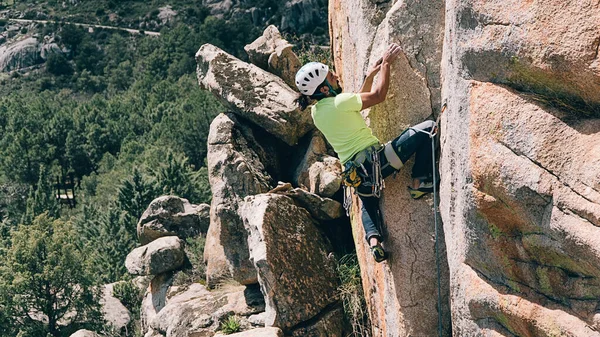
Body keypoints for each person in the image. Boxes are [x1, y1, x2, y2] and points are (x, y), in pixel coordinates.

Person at [294, 43, 437, 263]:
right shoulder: (340, 101)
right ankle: (420, 183)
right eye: (332, 77)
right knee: (427, 129)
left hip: (355, 174)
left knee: (368, 203)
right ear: (324, 89)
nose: (336, 77)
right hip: (376, 163)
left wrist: (370, 75)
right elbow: (378, 96)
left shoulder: (317, 112)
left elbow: (356, 101)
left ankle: (374, 242)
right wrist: (386, 65)